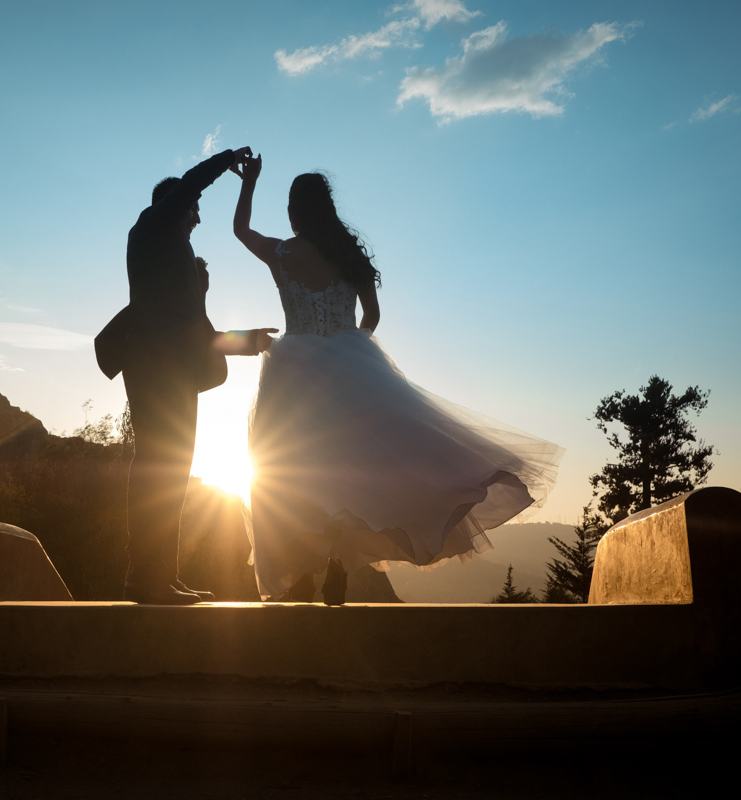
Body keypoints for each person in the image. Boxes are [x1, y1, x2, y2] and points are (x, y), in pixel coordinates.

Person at [233, 157, 564, 602]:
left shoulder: (284, 254)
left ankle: (303, 568)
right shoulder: (349, 256)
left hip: (292, 369)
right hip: (349, 362)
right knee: (355, 471)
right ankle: (335, 561)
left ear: (293, 212)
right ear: (327, 209)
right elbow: (372, 315)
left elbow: (241, 231)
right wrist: (351, 348)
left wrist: (249, 182)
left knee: (291, 475)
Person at [95, 147, 277, 605]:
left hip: (175, 370)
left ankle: (162, 577)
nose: (197, 219)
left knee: (173, 471)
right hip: (154, 367)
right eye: (194, 210)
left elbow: (200, 333)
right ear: (177, 204)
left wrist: (251, 339)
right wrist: (226, 160)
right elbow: (190, 186)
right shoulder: (153, 226)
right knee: (158, 466)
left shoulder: (177, 253)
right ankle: (146, 579)